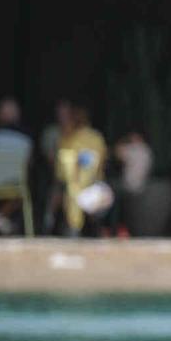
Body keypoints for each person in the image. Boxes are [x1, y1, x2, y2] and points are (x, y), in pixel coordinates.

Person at [49, 100, 109, 238]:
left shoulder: (89, 138)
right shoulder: (70, 138)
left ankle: (66, 229)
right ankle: (69, 228)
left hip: (90, 187)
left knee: (71, 192)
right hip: (80, 187)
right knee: (68, 191)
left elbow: (61, 173)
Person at [0, 97, 34, 235]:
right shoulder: (27, 138)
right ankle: (2, 220)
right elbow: (28, 164)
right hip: (17, 185)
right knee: (22, 193)